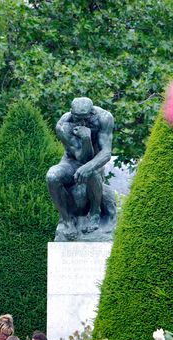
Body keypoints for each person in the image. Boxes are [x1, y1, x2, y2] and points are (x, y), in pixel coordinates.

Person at [47, 97, 115, 240]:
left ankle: (95, 213)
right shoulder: (63, 124)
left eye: (85, 118)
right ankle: (67, 221)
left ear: (92, 113)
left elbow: (106, 153)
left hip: (95, 161)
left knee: (91, 171)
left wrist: (89, 166)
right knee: (52, 176)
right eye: (77, 118)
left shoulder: (104, 118)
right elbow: (80, 157)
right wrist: (85, 139)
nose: (81, 123)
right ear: (71, 113)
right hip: (70, 163)